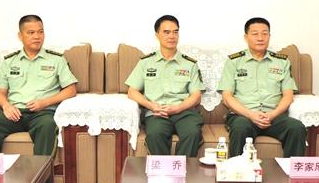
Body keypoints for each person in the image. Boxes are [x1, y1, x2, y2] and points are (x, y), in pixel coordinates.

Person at [0, 15, 77, 155]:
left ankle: (42, 169)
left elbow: (71, 90)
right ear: (20, 36)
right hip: (15, 112)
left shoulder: (56, 60)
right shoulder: (9, 61)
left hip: (42, 113)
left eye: (40, 32)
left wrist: (45, 102)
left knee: (47, 125)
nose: (37, 36)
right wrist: (6, 106)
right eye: (31, 32)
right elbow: (0, 93)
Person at [218, 17, 306, 157]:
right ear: (246, 37)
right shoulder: (234, 61)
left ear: (269, 36)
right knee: (241, 128)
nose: (260, 38)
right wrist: (251, 115)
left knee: (296, 127)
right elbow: (227, 97)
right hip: (244, 115)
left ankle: (291, 169)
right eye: (255, 34)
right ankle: (237, 169)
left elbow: (288, 96)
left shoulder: (282, 62)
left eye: (265, 34)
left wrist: (272, 115)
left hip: (274, 116)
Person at [126, 15, 205, 156]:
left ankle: (183, 168)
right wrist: (151, 106)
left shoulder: (189, 64)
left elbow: (196, 95)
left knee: (192, 133)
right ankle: (164, 169)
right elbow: (132, 91)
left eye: (175, 32)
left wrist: (178, 108)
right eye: (167, 32)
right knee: (155, 135)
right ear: (157, 35)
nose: (172, 36)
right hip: (157, 113)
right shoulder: (146, 62)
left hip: (184, 112)